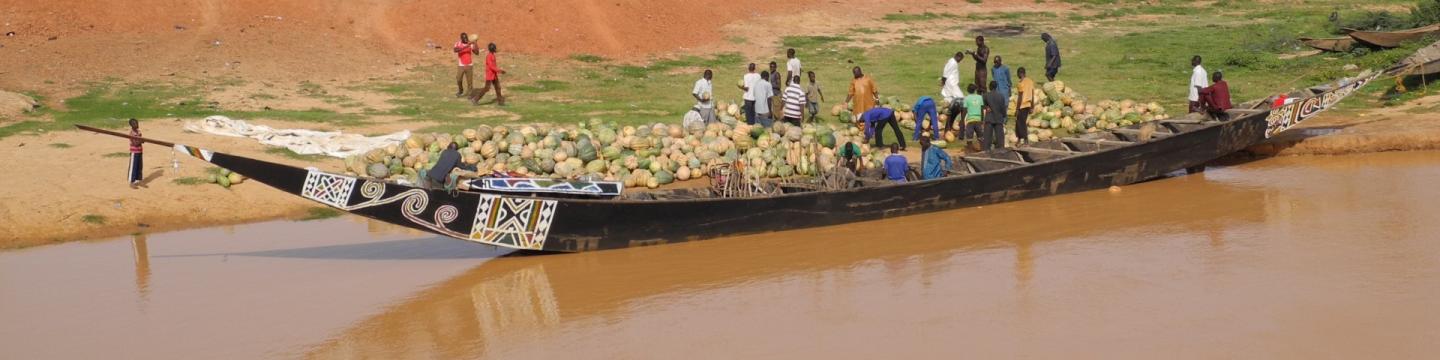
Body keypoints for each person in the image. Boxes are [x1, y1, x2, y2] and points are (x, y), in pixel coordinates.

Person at [941, 51, 966, 132]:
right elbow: (945, 72)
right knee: (961, 98)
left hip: (952, 83)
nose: (960, 61)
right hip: (951, 83)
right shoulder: (953, 62)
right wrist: (943, 81)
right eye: (960, 59)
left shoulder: (952, 61)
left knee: (952, 97)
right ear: (958, 57)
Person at [981, 80, 1008, 150]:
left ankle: (986, 151)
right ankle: (1001, 150)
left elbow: (983, 106)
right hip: (999, 118)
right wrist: (1004, 115)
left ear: (989, 87)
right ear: (996, 87)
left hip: (989, 118)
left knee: (987, 137)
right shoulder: (1001, 96)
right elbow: (1003, 107)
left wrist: (986, 108)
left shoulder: (986, 95)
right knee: (1000, 137)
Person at [453, 33, 479, 97]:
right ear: (461, 38)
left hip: (469, 65)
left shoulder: (470, 44)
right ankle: (461, 90)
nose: (465, 39)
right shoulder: (458, 43)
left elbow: (477, 53)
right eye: (463, 38)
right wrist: (466, 46)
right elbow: (455, 50)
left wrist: (475, 43)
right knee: (458, 79)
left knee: (469, 82)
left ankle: (470, 94)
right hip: (461, 65)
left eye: (466, 38)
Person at [1015, 67, 1036, 146]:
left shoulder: (1020, 83)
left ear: (1020, 73)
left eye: (1018, 74)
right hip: (1028, 105)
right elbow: (1032, 94)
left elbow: (1020, 97)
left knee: (1021, 123)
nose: (1017, 75)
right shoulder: (1030, 81)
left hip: (1022, 105)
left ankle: (1025, 140)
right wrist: (1032, 106)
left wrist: (1017, 109)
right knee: (1018, 122)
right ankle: (1019, 139)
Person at [126, 118, 143, 188]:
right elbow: (135, 143)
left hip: (140, 151)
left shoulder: (138, 131)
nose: (136, 125)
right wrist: (141, 140)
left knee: (139, 166)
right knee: (133, 167)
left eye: (137, 123)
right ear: (131, 125)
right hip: (134, 152)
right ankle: (131, 182)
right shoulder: (131, 133)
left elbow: (140, 139)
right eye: (134, 124)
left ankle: (137, 180)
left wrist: (141, 140)